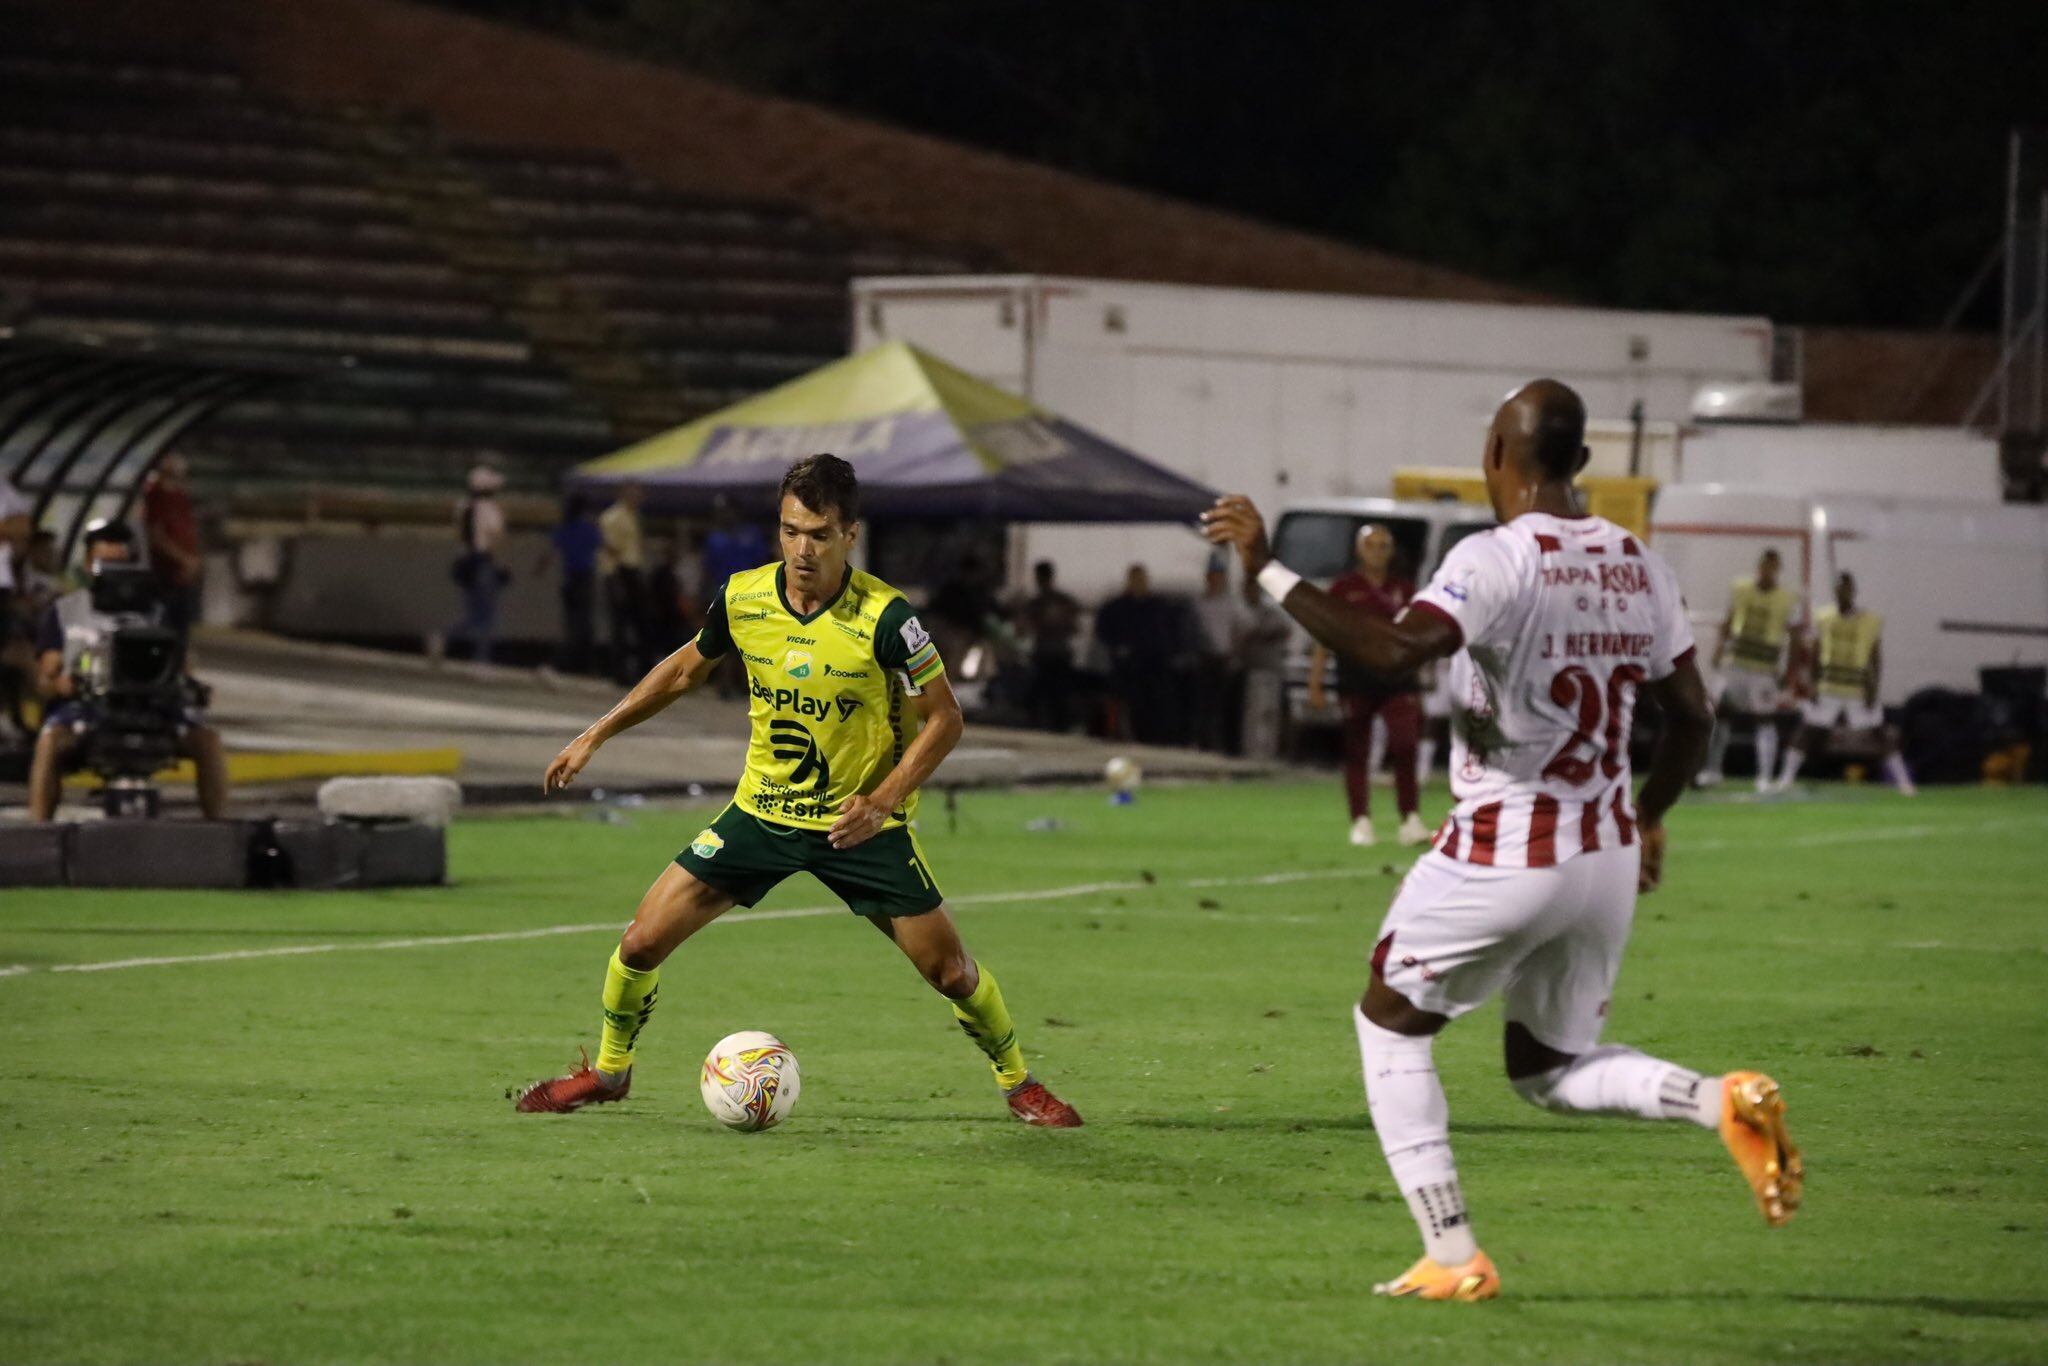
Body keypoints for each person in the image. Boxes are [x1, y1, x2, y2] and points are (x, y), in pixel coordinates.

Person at [1203, 380, 1800, 1303]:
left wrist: (1270, 571)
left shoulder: (1495, 558)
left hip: (1507, 846)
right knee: (1548, 1071)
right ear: (1583, 463)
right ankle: (1719, 1099)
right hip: (1603, 856)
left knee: (1388, 1024)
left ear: (1496, 455)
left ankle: (1452, 1257)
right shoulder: (1638, 561)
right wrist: (1650, 818)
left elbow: (1396, 653)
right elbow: (1692, 714)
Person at [516, 453, 1082, 1129]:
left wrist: (881, 802)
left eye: (818, 534)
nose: (801, 549)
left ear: (850, 534)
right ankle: (609, 1073)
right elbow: (681, 672)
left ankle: (1018, 1082)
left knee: (951, 972)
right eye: (790, 531)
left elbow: (945, 718)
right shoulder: (745, 597)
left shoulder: (885, 618)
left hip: (860, 825)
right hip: (763, 815)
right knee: (639, 943)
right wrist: (596, 734)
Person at [28, 520, 229, 822]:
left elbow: (182, 662)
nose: (111, 572)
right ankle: (39, 829)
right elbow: (47, 674)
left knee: (207, 740)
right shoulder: (65, 611)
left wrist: (190, 686)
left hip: (155, 707)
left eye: (118, 563)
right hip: (88, 708)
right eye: (103, 563)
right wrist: (61, 684)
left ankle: (220, 827)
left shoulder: (158, 611)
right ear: (87, 564)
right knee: (50, 742)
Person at [1308, 524, 1429, 847]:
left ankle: (1410, 817)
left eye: (1383, 545)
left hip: (1398, 679)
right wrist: (1316, 680)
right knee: (1356, 751)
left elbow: (1420, 634)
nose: (1377, 551)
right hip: (1356, 679)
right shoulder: (1344, 589)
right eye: (1371, 545)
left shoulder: (1404, 589)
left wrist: (1422, 671)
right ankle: (1361, 819)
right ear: (1359, 550)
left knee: (1405, 745)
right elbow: (1325, 634)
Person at [1773, 572, 1915, 795]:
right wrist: (1812, 684)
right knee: (1808, 730)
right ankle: (1786, 778)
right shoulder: (1825, 617)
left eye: (1846, 588)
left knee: (1878, 733)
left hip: (1856, 685)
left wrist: (1873, 687)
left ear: (1854, 591)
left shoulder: (1868, 620)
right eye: (1839, 588)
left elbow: (1874, 656)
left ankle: (1903, 781)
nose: (1843, 592)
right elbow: (1816, 653)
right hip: (1829, 684)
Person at [1697, 548, 1801, 792]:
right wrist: (1718, 649)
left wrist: (1790, 670)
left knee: (1764, 718)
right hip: (1735, 663)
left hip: (1764, 667)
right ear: (1759, 566)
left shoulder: (1787, 598)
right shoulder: (1741, 588)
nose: (1768, 571)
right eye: (1765, 565)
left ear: (1778, 570)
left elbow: (1794, 636)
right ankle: (1712, 770)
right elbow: (1729, 619)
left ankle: (1764, 777)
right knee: (1721, 713)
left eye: (1773, 567)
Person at [1094, 564, 1183, 744]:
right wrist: (1118, 647)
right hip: (1127, 669)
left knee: (1152, 709)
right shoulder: (1116, 608)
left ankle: (1153, 739)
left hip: (1154, 669)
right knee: (1127, 707)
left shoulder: (1159, 607)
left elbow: (1172, 633)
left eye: (1141, 580)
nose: (1138, 584)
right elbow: (1102, 630)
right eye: (1135, 580)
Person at [448, 464, 508, 664]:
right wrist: (500, 564)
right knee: (486, 616)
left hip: (466, 561)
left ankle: (446, 637)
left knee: (474, 613)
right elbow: (495, 539)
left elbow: (458, 535)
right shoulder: (490, 509)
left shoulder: (463, 507)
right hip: (483, 562)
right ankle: (481, 658)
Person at [141, 452, 203, 635]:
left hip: (182, 576)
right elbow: (156, 536)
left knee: (181, 627)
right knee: (166, 627)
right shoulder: (157, 496)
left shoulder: (180, 498)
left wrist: (192, 560)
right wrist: (184, 559)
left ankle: (180, 659)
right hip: (166, 575)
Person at [1189, 559, 1248, 751]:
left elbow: (1244, 628)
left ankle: (1224, 744)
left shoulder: (1231, 603)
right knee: (1204, 703)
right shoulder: (1199, 603)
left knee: (1224, 705)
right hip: (1205, 658)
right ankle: (1204, 742)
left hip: (1225, 658)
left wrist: (1234, 651)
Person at [1016, 559, 1081, 733]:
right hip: (1057, 653)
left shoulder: (1038, 603)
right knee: (1055, 696)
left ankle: (1044, 726)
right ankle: (1056, 727)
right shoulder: (1063, 601)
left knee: (1042, 695)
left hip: (1047, 653)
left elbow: (1022, 629)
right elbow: (1075, 628)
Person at [543, 494, 601, 674]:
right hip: (583, 578)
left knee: (572, 623)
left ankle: (576, 663)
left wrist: (539, 570)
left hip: (570, 579)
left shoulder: (565, 528)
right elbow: (603, 545)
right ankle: (576, 663)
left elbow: (550, 552)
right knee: (583, 624)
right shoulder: (588, 529)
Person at [598, 483, 648, 683]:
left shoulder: (634, 516)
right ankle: (619, 671)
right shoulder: (613, 517)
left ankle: (637, 669)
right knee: (620, 623)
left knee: (638, 623)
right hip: (619, 572)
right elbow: (611, 549)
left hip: (633, 571)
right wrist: (617, 579)